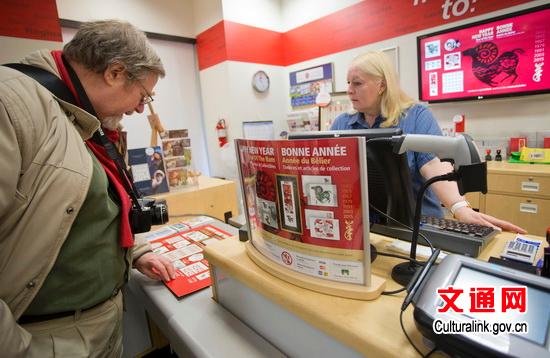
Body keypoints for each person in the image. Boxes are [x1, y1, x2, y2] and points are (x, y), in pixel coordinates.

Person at [0, 20, 177, 357]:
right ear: (114, 73)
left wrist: (138, 252)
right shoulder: (11, 102)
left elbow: (99, 204)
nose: (141, 109)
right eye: (143, 96)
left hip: (99, 324)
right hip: (42, 338)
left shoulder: (84, 119)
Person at [331, 51, 526, 233]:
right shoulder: (342, 124)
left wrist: (459, 208)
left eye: (357, 83)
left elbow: (432, 164)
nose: (349, 90)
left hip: (418, 223)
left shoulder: (415, 115)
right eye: (348, 83)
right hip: (363, 224)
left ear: (382, 85)